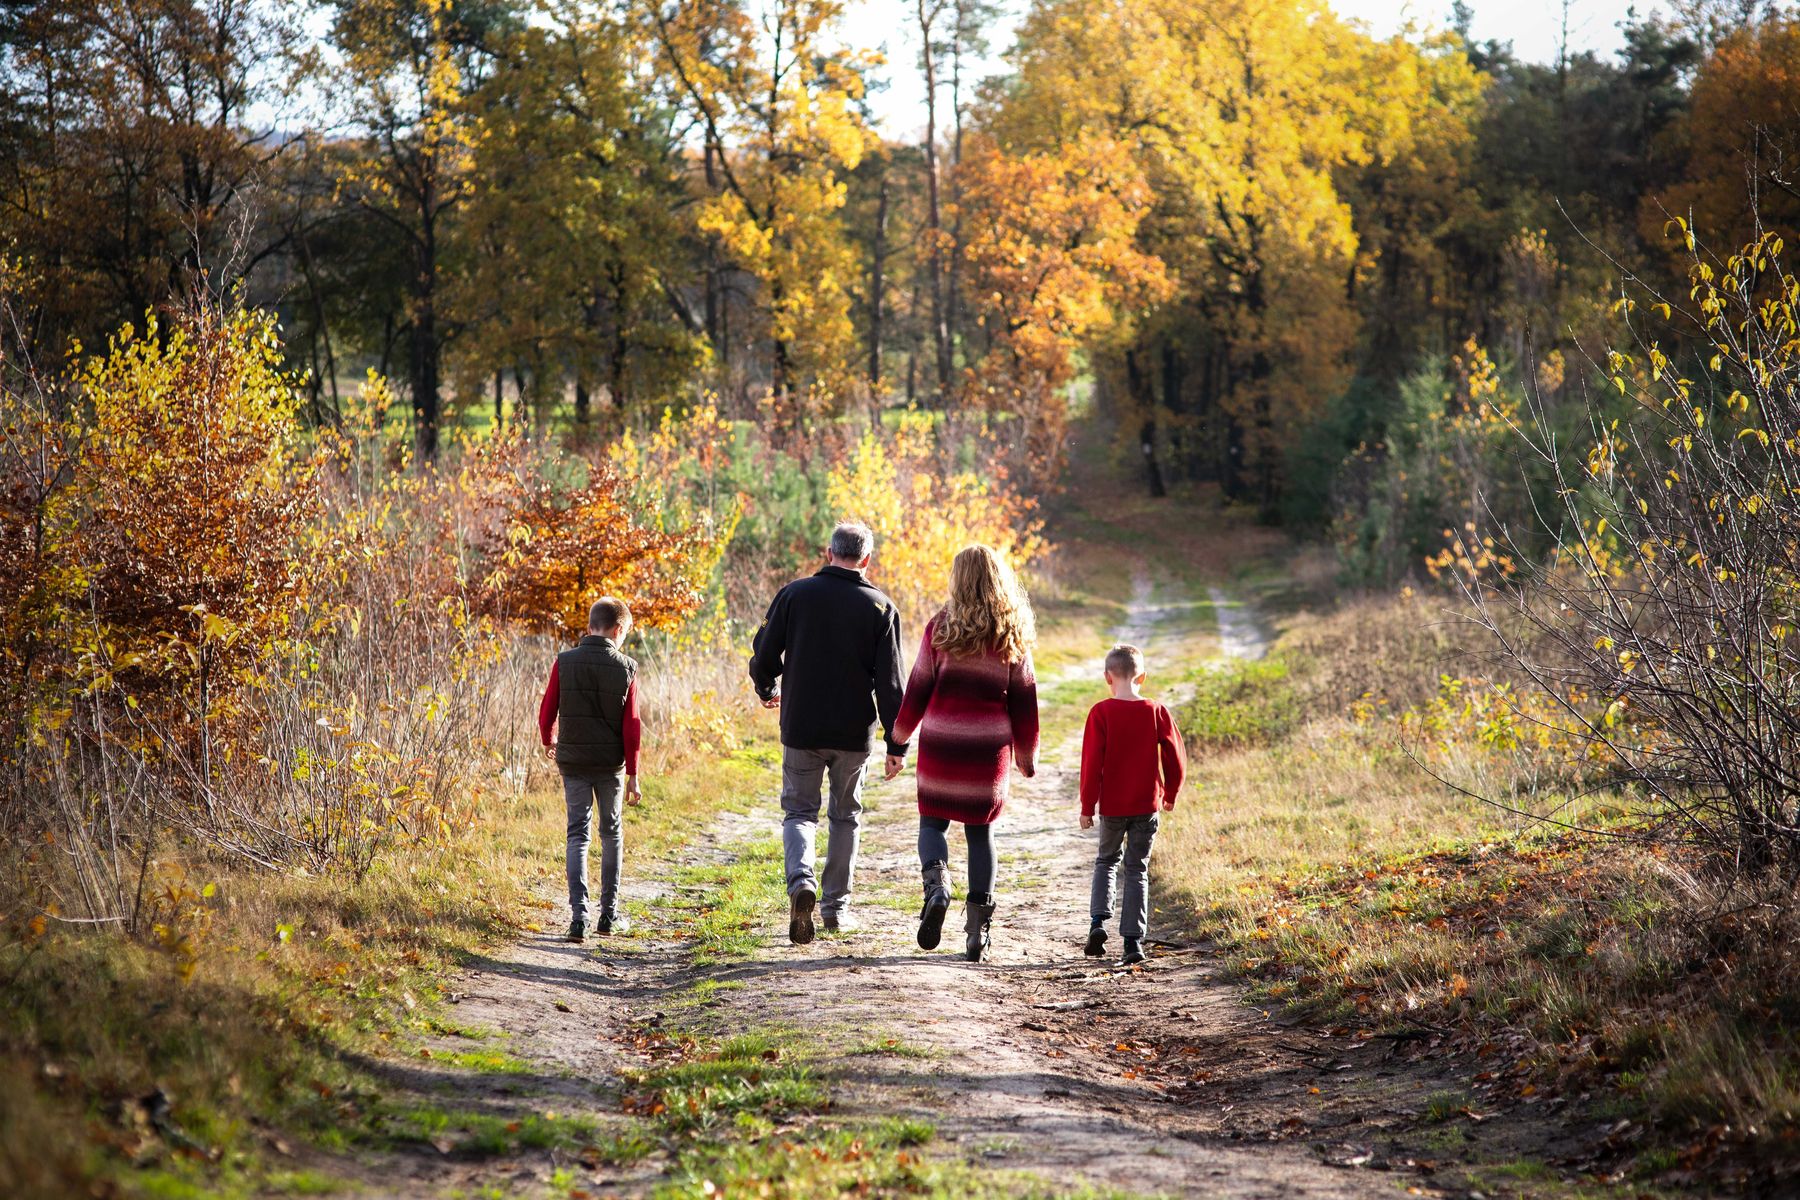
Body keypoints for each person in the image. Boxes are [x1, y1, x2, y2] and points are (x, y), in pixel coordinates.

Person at [749, 521, 908, 944]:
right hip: (854, 734)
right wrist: (897, 743)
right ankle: (835, 908)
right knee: (845, 816)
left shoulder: (795, 595)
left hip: (801, 726)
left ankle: (801, 883)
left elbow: (764, 652)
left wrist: (767, 686)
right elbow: (892, 684)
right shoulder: (881, 608)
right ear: (867, 559)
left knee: (800, 812)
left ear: (828, 551)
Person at [890, 545, 1039, 962]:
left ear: (958, 579)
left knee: (932, 825)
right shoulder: (1012, 633)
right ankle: (977, 934)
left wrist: (898, 739)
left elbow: (917, 687)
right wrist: (1026, 756)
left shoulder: (940, 628)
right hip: (987, 750)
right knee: (981, 833)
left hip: (941, 743)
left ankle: (937, 888)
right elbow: (1025, 701)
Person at [538, 597, 643, 942]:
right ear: (617, 630)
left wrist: (548, 739)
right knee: (611, 833)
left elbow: (547, 708)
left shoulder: (564, 661)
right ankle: (609, 916)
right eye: (625, 631)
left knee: (577, 834)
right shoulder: (627, 667)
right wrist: (633, 773)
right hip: (610, 765)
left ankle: (578, 918)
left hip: (573, 761)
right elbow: (632, 727)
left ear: (589, 627)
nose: (624, 637)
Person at [1079, 643, 1187, 966]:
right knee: (1137, 869)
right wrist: (1171, 792)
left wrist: (1087, 805)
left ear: (1107, 677)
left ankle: (1098, 923)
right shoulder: (1155, 711)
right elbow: (1175, 756)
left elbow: (1091, 763)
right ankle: (1132, 942)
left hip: (1112, 807)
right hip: (1145, 806)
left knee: (1106, 861)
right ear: (1143, 677)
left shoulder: (1101, 713)